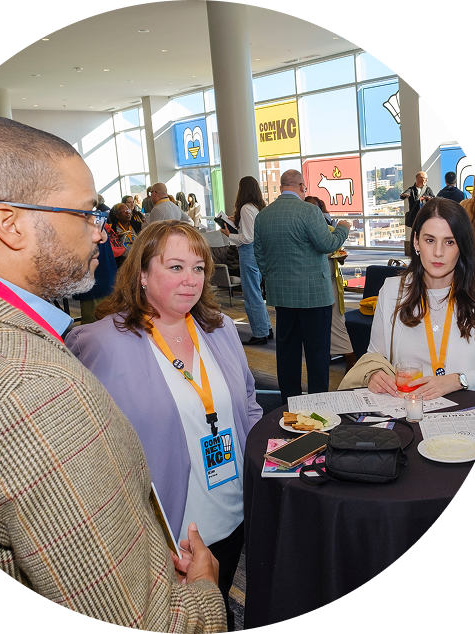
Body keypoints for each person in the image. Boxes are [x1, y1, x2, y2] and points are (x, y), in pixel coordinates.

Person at [0, 115, 226, 631]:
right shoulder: (37, 391)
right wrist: (202, 591)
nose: (99, 231)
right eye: (85, 213)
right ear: (10, 223)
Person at [66, 220, 262, 632]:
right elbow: (90, 447)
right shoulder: (101, 343)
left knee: (217, 603)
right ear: (141, 274)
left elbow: (247, 403)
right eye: (175, 267)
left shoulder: (221, 329)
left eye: (198, 268)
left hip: (230, 508)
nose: (190, 280)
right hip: (164, 528)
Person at [365, 198, 475, 398]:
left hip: (464, 416)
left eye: (449, 242)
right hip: (407, 412)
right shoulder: (393, 291)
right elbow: (374, 356)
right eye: (430, 240)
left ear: (462, 246)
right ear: (416, 241)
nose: (438, 252)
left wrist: (458, 380)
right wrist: (373, 374)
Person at [254, 170, 350, 402]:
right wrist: (343, 228)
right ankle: (319, 403)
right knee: (317, 353)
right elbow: (327, 244)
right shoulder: (309, 211)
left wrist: (275, 277)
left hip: (282, 296)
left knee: (287, 352)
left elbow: (260, 256)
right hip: (314, 297)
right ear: (301, 186)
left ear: (281, 187)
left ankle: (290, 402)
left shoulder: (263, 216)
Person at [305, 196, 356, 373]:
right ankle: (335, 359)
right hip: (317, 283)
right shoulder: (316, 230)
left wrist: (338, 256)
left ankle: (351, 361)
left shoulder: (327, 229)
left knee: (335, 323)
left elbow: (332, 253)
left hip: (328, 282)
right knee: (324, 324)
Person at [220, 176, 272, 345]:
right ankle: (266, 328)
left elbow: (248, 237)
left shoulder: (245, 208)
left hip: (248, 253)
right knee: (256, 292)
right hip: (257, 252)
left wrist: (230, 235)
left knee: (251, 295)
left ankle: (260, 333)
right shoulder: (257, 207)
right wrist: (238, 223)